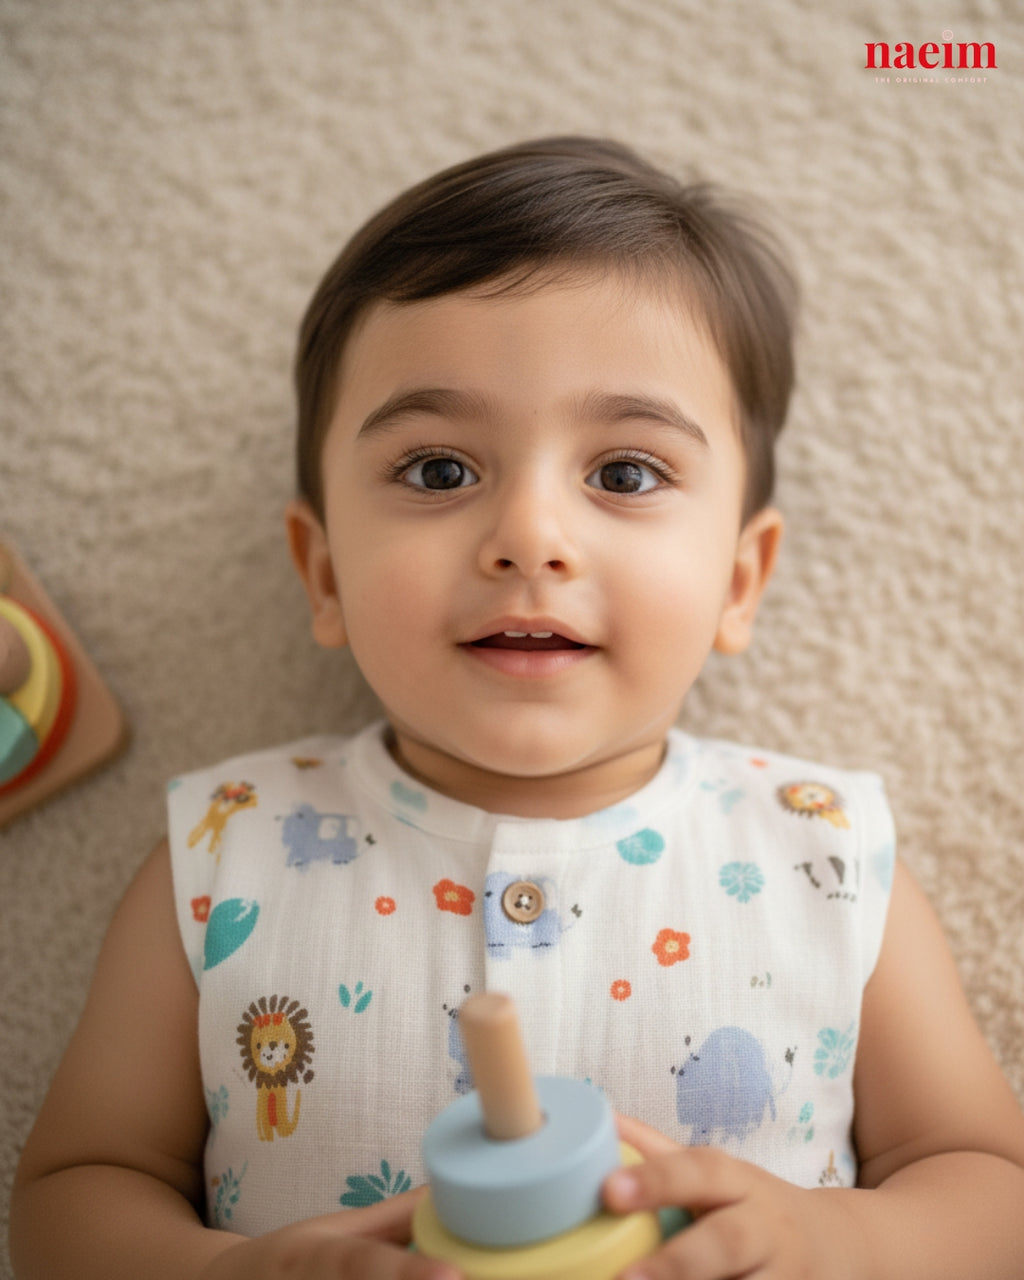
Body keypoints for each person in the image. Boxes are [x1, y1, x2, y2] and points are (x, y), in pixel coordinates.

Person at [10, 137, 1024, 1280]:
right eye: (439, 469)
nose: (530, 536)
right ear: (326, 571)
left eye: (625, 473)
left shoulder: (819, 851)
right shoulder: (226, 848)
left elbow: (985, 1180)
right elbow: (73, 1192)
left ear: (739, 579)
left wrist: (831, 1237)